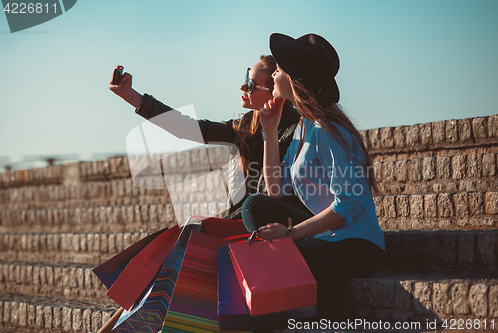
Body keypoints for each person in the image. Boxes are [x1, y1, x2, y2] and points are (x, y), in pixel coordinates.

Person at [241, 33, 385, 318]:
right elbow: (275, 190)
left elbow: (347, 206)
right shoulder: (304, 126)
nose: (275, 75)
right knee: (254, 206)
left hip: (355, 245)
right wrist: (269, 131)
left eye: (279, 70)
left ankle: (317, 310)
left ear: (293, 79)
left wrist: (291, 234)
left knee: (273, 265)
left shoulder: (328, 130)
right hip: (328, 236)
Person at [109, 56, 303, 220]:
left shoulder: (297, 130)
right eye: (246, 77)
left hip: (267, 226)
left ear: (275, 93)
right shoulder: (245, 126)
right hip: (239, 220)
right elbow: (188, 128)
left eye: (251, 85)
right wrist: (130, 96)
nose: (242, 86)